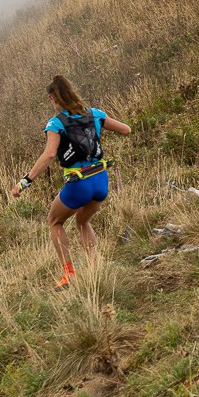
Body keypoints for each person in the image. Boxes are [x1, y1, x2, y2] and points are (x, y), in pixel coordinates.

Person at [12, 75, 131, 291]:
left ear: (52, 98)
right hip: (100, 180)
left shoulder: (56, 123)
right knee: (82, 221)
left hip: (79, 183)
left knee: (55, 222)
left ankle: (68, 275)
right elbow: (126, 129)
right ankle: (95, 268)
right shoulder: (95, 113)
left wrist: (25, 182)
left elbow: (49, 155)